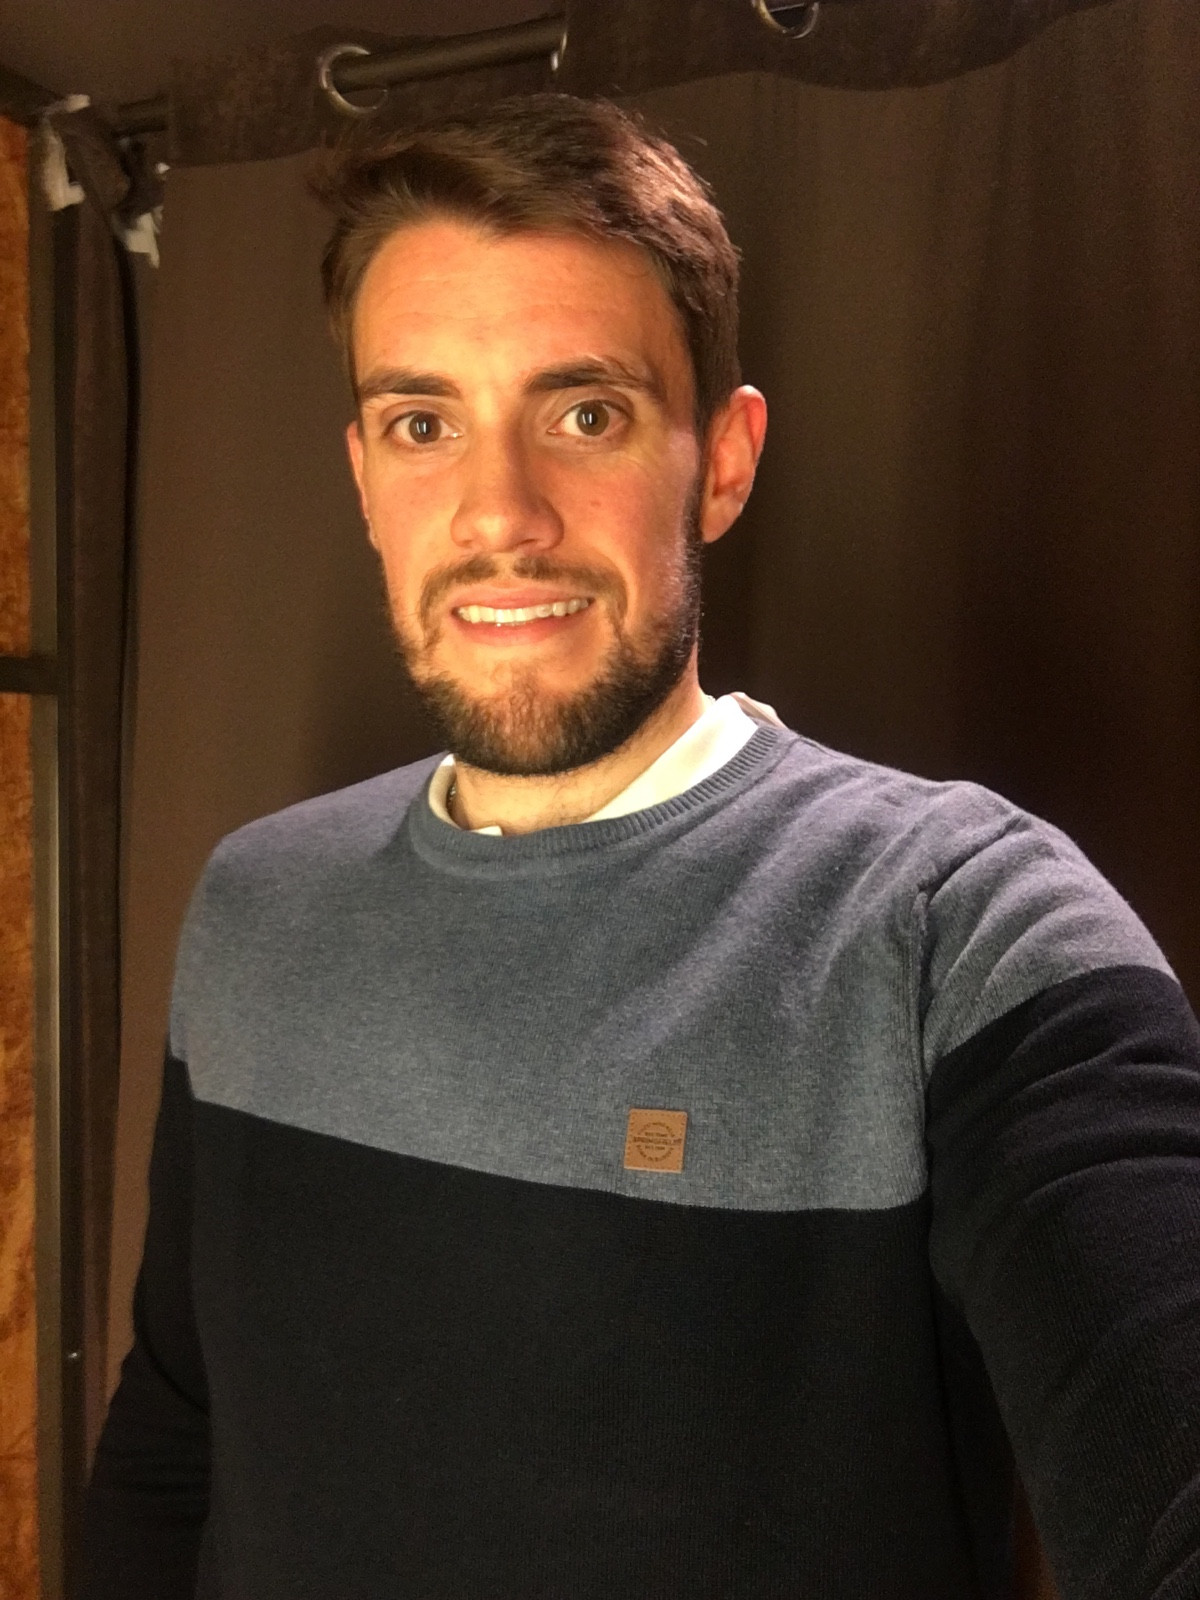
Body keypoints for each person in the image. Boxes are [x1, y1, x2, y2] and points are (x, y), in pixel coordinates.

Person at [82, 93, 1200, 1600]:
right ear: (363, 477)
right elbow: (176, 1431)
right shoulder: (254, 902)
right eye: (425, 424)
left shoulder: (961, 925)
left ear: (722, 462)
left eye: (585, 413)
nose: (500, 516)